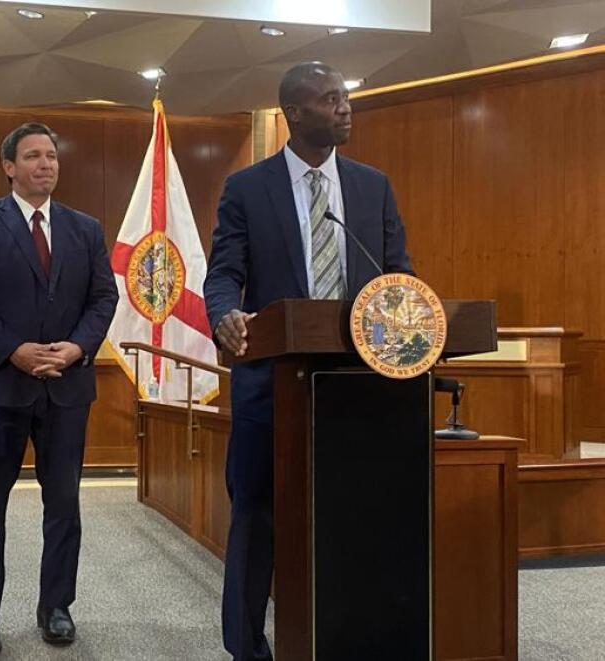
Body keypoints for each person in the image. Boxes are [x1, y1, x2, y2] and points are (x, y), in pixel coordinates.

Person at [203, 62, 414, 660]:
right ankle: (246, 647)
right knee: (257, 518)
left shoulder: (373, 186)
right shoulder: (248, 187)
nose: (346, 108)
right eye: (331, 99)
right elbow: (224, 273)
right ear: (294, 113)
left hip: (359, 386)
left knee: (354, 517)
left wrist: (411, 314)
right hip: (271, 386)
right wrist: (224, 313)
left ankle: (344, 635)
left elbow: (397, 271)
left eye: (346, 98)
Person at [0, 122, 118, 656]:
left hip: (67, 387)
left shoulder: (85, 228)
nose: (46, 164)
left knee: (64, 504)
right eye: (33, 156)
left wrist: (77, 347)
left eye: (52, 155)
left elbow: (103, 299)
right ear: (9, 166)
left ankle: (57, 607)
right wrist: (15, 349)